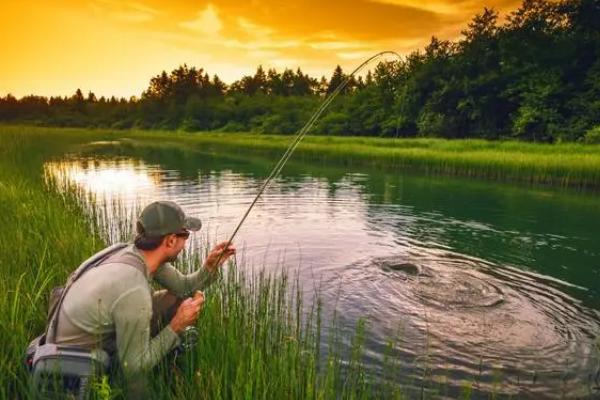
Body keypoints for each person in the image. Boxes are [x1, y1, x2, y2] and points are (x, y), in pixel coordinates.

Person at [51, 200, 235, 396]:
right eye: (185, 235)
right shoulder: (133, 289)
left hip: (85, 337)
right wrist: (177, 326)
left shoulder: (133, 252)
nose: (186, 243)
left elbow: (183, 288)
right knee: (137, 371)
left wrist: (210, 267)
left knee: (177, 299)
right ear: (170, 240)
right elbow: (133, 366)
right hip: (75, 366)